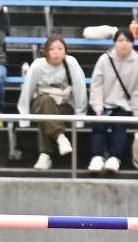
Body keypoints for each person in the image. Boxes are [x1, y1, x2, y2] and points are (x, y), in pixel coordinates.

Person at [17, 33, 87, 170]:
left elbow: (80, 90)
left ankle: (45, 155)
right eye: (52, 49)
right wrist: (23, 117)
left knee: (46, 114)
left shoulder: (71, 63)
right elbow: (27, 91)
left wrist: (80, 117)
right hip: (40, 103)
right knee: (45, 101)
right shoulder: (37, 66)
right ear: (46, 51)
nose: (56, 53)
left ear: (65, 51)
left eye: (60, 49)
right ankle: (60, 137)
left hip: (65, 105)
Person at [87, 28, 138, 174]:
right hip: (104, 104)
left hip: (124, 106)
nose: (124, 44)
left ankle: (115, 158)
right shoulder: (104, 59)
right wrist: (97, 105)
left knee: (119, 126)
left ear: (133, 43)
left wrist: (137, 112)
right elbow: (97, 84)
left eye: (128, 41)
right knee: (99, 126)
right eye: (120, 40)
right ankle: (97, 157)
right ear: (114, 43)